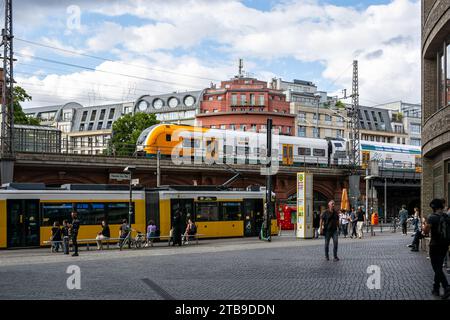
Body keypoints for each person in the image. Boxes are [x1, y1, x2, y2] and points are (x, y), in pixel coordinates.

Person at [421, 199, 450, 299]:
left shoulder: (432, 217)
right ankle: (436, 289)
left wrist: (424, 225)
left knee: (436, 267)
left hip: (435, 245)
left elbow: (425, 231)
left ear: (434, 207)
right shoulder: (446, 216)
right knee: (439, 266)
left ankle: (446, 287)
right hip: (445, 245)